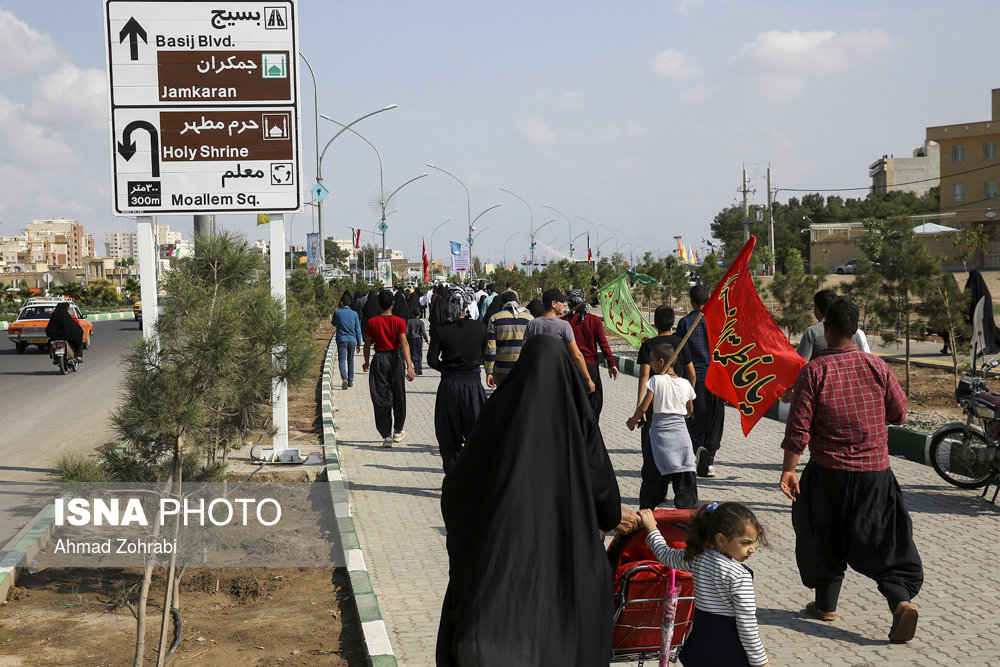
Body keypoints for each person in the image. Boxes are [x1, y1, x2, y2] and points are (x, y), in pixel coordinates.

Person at [436, 335, 622, 666]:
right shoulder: (580, 423)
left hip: (502, 556)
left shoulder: (498, 413)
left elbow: (456, 487)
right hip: (568, 555)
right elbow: (606, 498)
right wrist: (606, 515)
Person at [780, 297, 922, 643]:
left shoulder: (814, 371)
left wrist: (788, 471)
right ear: (856, 330)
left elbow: (798, 428)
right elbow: (900, 413)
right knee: (884, 541)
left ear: (824, 328)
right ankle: (899, 602)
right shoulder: (877, 366)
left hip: (827, 472)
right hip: (876, 474)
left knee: (821, 535)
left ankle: (825, 605)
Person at [638, 503, 770, 667]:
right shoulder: (739, 575)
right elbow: (747, 626)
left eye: (753, 543)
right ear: (721, 539)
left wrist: (651, 528)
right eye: (746, 543)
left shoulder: (697, 558)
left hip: (701, 643)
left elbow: (665, 554)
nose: (752, 550)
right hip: (728, 650)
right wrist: (761, 662)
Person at [636, 306, 697, 505]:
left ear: (655, 323)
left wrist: (639, 408)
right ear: (673, 323)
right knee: (681, 461)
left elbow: (645, 375)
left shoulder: (649, 345)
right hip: (677, 414)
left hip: (656, 410)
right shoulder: (681, 343)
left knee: (652, 458)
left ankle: (652, 501)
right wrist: (685, 393)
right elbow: (692, 374)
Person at [427, 286, 488, 472]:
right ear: (467, 304)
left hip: (449, 385)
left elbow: (431, 360)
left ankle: (452, 477)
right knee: (476, 434)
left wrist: (447, 369)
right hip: (473, 385)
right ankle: (473, 479)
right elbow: (484, 356)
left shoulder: (441, 330)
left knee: (448, 435)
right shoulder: (480, 327)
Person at [676, 285, 723, 478]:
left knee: (693, 418)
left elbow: (678, 354)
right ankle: (709, 460)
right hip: (718, 380)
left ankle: (698, 448)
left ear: (692, 301)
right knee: (715, 420)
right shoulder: (719, 321)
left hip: (693, 379)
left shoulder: (686, 323)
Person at [362, 290, 416, 446]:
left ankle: (386, 435)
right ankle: (398, 431)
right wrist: (409, 367)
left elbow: (367, 345)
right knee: (399, 395)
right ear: (393, 304)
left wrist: (366, 362)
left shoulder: (372, 322)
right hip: (395, 359)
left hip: (379, 359)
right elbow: (404, 343)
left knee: (380, 397)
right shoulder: (399, 322)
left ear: (378, 304)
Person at [522, 288, 595, 393]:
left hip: (536, 375)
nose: (565, 304)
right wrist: (588, 379)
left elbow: (524, 351)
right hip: (557, 376)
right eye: (562, 302)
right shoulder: (563, 325)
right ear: (554, 304)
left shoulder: (532, 324)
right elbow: (577, 355)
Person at [563, 289, 619, 418]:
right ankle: (591, 431)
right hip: (591, 367)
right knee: (593, 403)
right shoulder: (594, 321)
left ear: (570, 304)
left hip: (571, 367)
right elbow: (603, 344)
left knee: (574, 403)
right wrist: (611, 364)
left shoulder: (564, 322)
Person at [796, 289, 871, 360]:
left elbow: (801, 362)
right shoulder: (852, 330)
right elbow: (864, 357)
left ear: (816, 308)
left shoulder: (812, 332)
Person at [331, 293, 363, 389]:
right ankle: (350, 380)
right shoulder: (354, 314)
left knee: (342, 360)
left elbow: (333, 323)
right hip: (352, 340)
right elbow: (358, 329)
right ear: (349, 303)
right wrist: (359, 344)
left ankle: (344, 377)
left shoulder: (337, 313)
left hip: (341, 339)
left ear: (341, 302)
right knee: (350, 360)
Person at [406, 307, 429, 375]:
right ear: (420, 314)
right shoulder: (421, 322)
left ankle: (415, 363)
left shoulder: (409, 321)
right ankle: (419, 367)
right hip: (419, 339)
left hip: (411, 338)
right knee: (419, 354)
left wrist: (406, 339)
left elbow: (406, 331)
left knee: (413, 353)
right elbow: (423, 332)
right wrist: (427, 340)